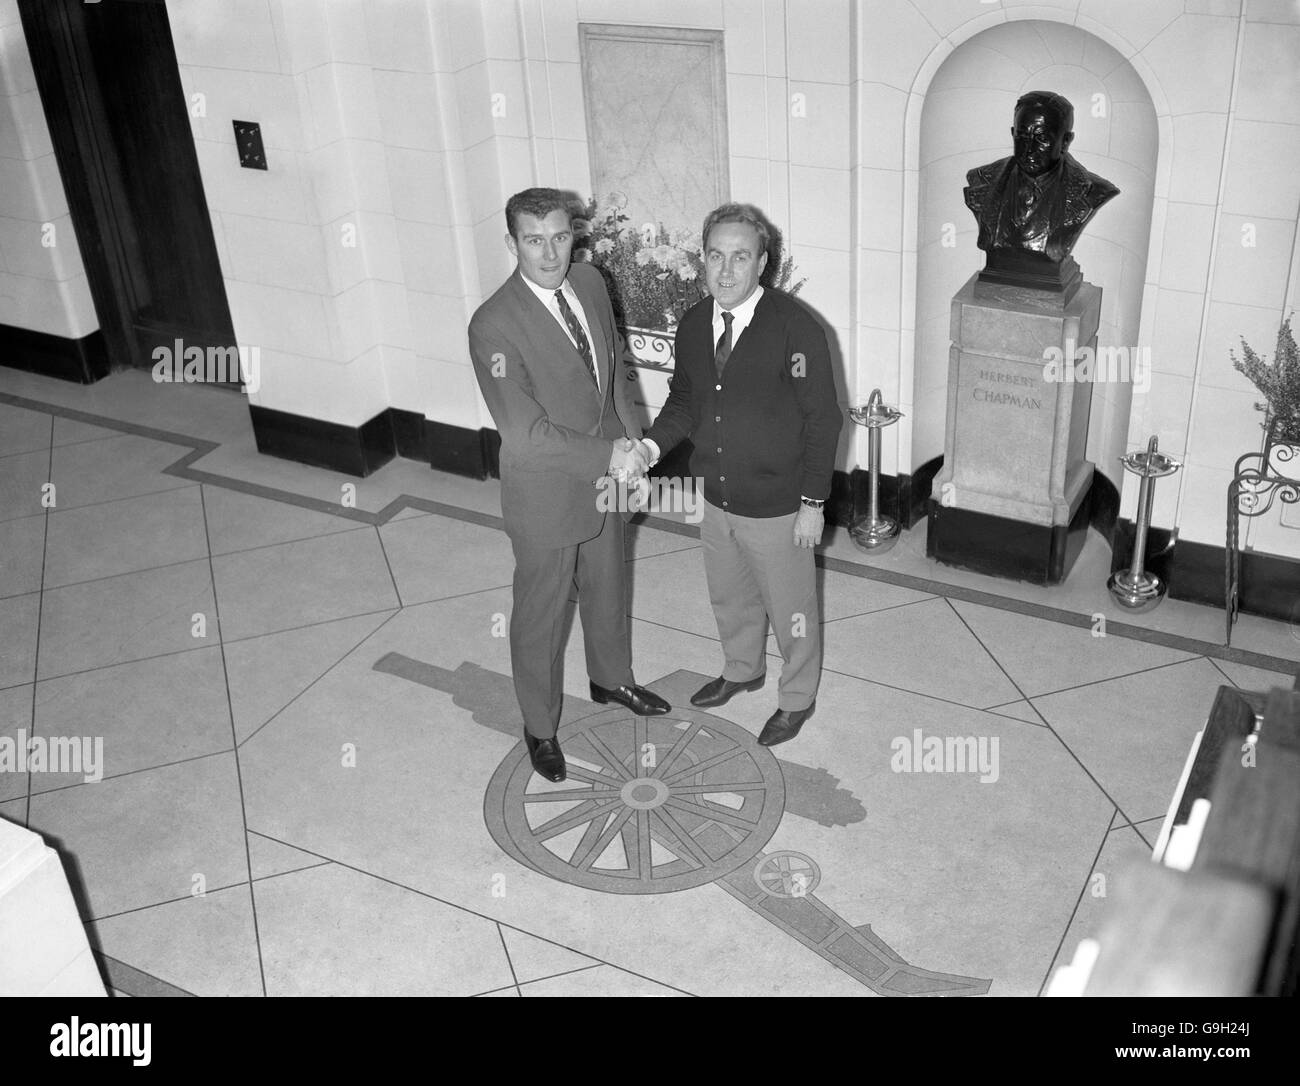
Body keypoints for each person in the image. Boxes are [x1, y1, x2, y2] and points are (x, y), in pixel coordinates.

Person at [468, 187, 669, 783]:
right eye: (534, 240)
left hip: (611, 471)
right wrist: (609, 454)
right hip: (547, 492)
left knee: (609, 583)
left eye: (560, 236)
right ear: (512, 244)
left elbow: (611, 372)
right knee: (542, 615)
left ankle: (611, 679)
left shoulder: (588, 281)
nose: (551, 253)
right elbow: (526, 435)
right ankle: (539, 726)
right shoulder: (493, 325)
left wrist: (634, 445)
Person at [636, 203, 842, 747]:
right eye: (715, 256)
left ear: (762, 263)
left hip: (780, 505)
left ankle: (797, 698)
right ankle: (742, 669)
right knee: (730, 597)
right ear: (702, 260)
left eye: (740, 257)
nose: (726, 271)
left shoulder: (797, 330)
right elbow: (684, 401)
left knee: (792, 610)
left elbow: (824, 420)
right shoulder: (693, 323)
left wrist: (813, 504)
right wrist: (650, 447)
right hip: (716, 496)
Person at [964, 90, 1119, 273]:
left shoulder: (1094, 191)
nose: (1029, 149)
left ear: (1065, 141)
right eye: (1022, 136)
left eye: (1042, 139)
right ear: (1013, 133)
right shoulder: (982, 180)